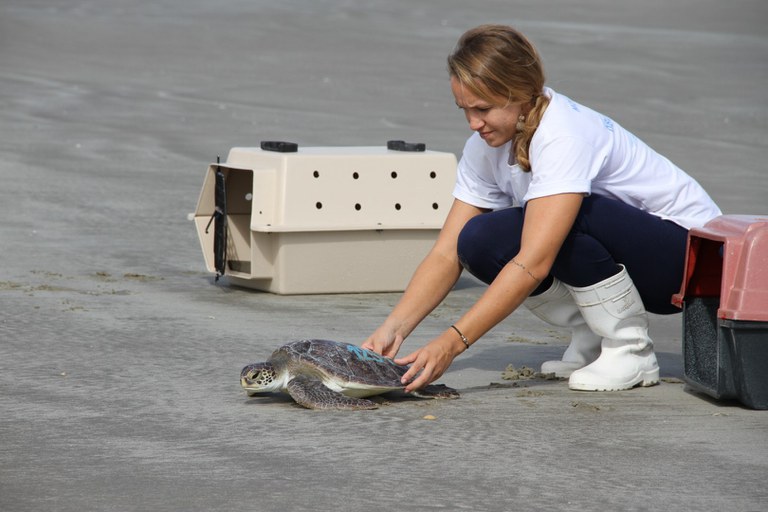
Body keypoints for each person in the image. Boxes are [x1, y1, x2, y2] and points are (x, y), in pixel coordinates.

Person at [361, 24, 722, 393]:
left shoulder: (562, 133)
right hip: (642, 260)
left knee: (559, 221)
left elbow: (533, 262)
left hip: (690, 265)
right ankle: (593, 336)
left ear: (520, 93)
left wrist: (452, 343)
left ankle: (630, 349)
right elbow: (445, 253)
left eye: (483, 108)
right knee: (478, 240)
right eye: (464, 110)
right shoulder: (484, 146)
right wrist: (394, 328)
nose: (473, 123)